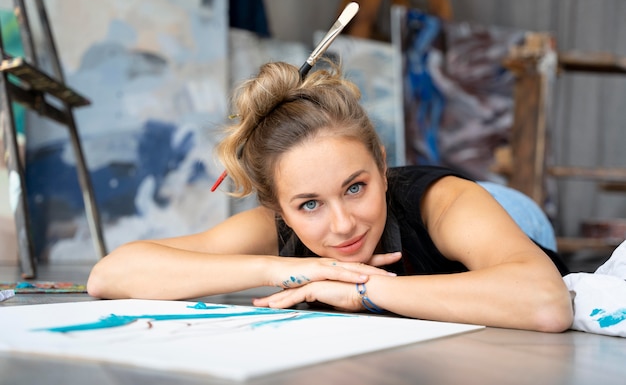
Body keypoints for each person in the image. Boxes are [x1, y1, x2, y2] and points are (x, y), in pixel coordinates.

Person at [87, 61, 573, 333]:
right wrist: (285, 268)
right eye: (309, 204)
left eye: (355, 186)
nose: (342, 225)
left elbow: (545, 303)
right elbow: (110, 276)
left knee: (505, 215)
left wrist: (365, 291)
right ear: (279, 209)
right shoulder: (276, 227)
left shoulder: (442, 201)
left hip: (502, 211)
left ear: (381, 166)